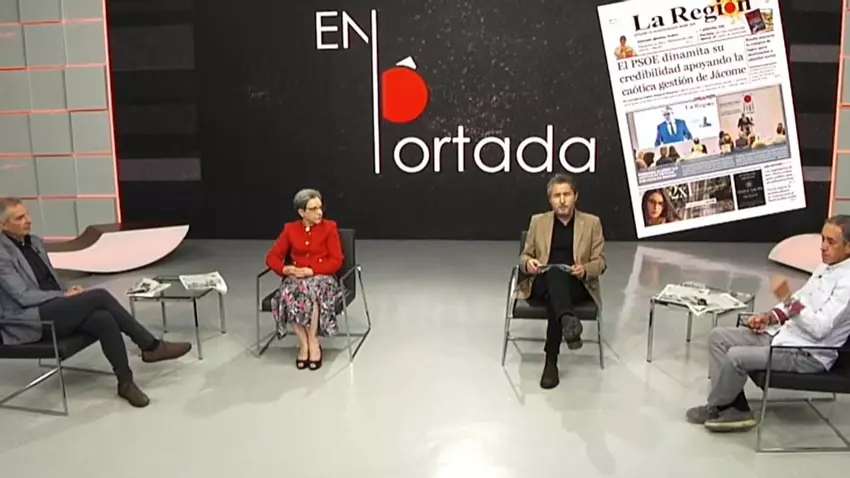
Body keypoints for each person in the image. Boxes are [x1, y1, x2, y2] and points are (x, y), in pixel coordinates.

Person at [0, 197, 191, 408]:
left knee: (102, 318)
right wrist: (63, 297)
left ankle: (125, 382)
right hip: (28, 319)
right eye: (20, 218)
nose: (28, 220)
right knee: (99, 296)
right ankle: (150, 345)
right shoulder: (2, 253)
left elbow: (50, 279)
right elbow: (23, 296)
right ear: (3, 225)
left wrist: (67, 290)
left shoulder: (34, 242)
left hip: (54, 307)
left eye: (27, 214)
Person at [686, 215, 850, 432]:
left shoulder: (847, 284)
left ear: (848, 247)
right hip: (786, 336)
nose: (823, 247)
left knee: (736, 357)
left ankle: (721, 406)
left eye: (831, 242)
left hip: (807, 354)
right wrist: (769, 317)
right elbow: (799, 300)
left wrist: (788, 300)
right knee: (718, 337)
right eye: (822, 239)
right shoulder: (825, 268)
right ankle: (731, 406)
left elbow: (820, 329)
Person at [515, 174, 606, 389]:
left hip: (577, 283)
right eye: (557, 196)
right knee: (554, 276)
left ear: (576, 196)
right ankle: (567, 321)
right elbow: (524, 257)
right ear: (550, 199)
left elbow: (600, 262)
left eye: (567, 194)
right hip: (542, 281)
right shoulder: (538, 222)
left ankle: (551, 362)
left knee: (555, 296)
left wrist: (585, 269)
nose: (562, 200)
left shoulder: (592, 223)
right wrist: (529, 264)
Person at [265, 189, 343, 371]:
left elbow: (336, 260)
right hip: (296, 278)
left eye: (320, 207)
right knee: (288, 293)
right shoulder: (290, 230)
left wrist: (312, 270)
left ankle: (313, 341)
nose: (319, 212)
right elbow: (272, 257)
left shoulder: (329, 228)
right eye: (313, 209)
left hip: (322, 277)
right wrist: (286, 269)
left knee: (310, 293)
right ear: (302, 212)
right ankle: (304, 343)